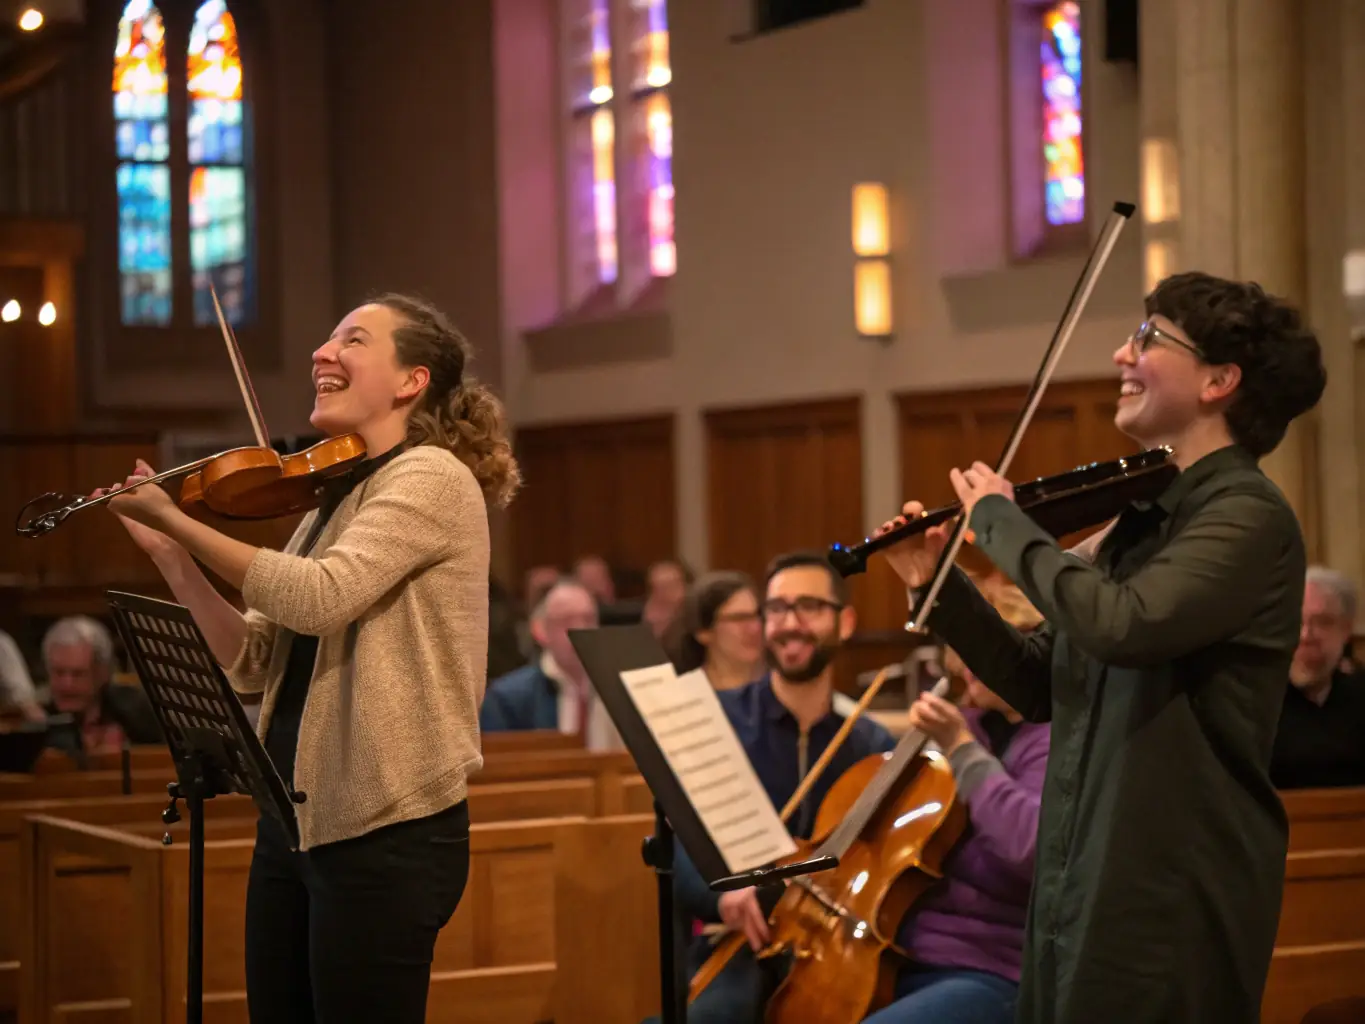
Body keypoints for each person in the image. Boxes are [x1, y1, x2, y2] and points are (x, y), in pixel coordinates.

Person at [873, 271, 1327, 1023]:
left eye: (1148, 338)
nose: (1121, 352)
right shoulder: (1140, 520)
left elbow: (1126, 624)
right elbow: (1035, 684)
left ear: (1219, 379)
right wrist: (937, 584)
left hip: (1168, 885)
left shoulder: (1245, 515)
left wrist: (1002, 522)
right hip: (1080, 873)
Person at [99, 293, 520, 1024]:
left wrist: (177, 516)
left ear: (409, 381)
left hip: (385, 829)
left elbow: (322, 597)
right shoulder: (333, 495)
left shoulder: (429, 477)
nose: (322, 355)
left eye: (351, 340)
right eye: (326, 340)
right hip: (296, 820)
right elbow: (256, 657)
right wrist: (172, 556)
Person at [646, 550, 896, 1024]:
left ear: (844, 623)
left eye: (809, 607)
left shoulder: (870, 744)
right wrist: (722, 895)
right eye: (777, 609)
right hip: (736, 941)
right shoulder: (714, 720)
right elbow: (676, 842)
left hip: (832, 948)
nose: (789, 623)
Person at [862, 576, 1050, 1024]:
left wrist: (962, 749)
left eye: (983, 644)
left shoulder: (1052, 738)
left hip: (993, 969)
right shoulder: (970, 721)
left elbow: (1030, 847)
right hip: (903, 951)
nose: (966, 661)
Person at [480, 577, 623, 750]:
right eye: (566, 621)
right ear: (540, 631)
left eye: (588, 619)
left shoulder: (622, 689)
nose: (579, 629)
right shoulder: (506, 699)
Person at [1269, 566, 1365, 788]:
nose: (1305, 636)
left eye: (1322, 622)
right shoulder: (1253, 703)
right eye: (1295, 622)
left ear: (1346, 630)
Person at [663, 570, 765, 690]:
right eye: (739, 619)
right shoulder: (682, 694)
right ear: (703, 633)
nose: (755, 628)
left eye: (757, 615)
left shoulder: (783, 689)